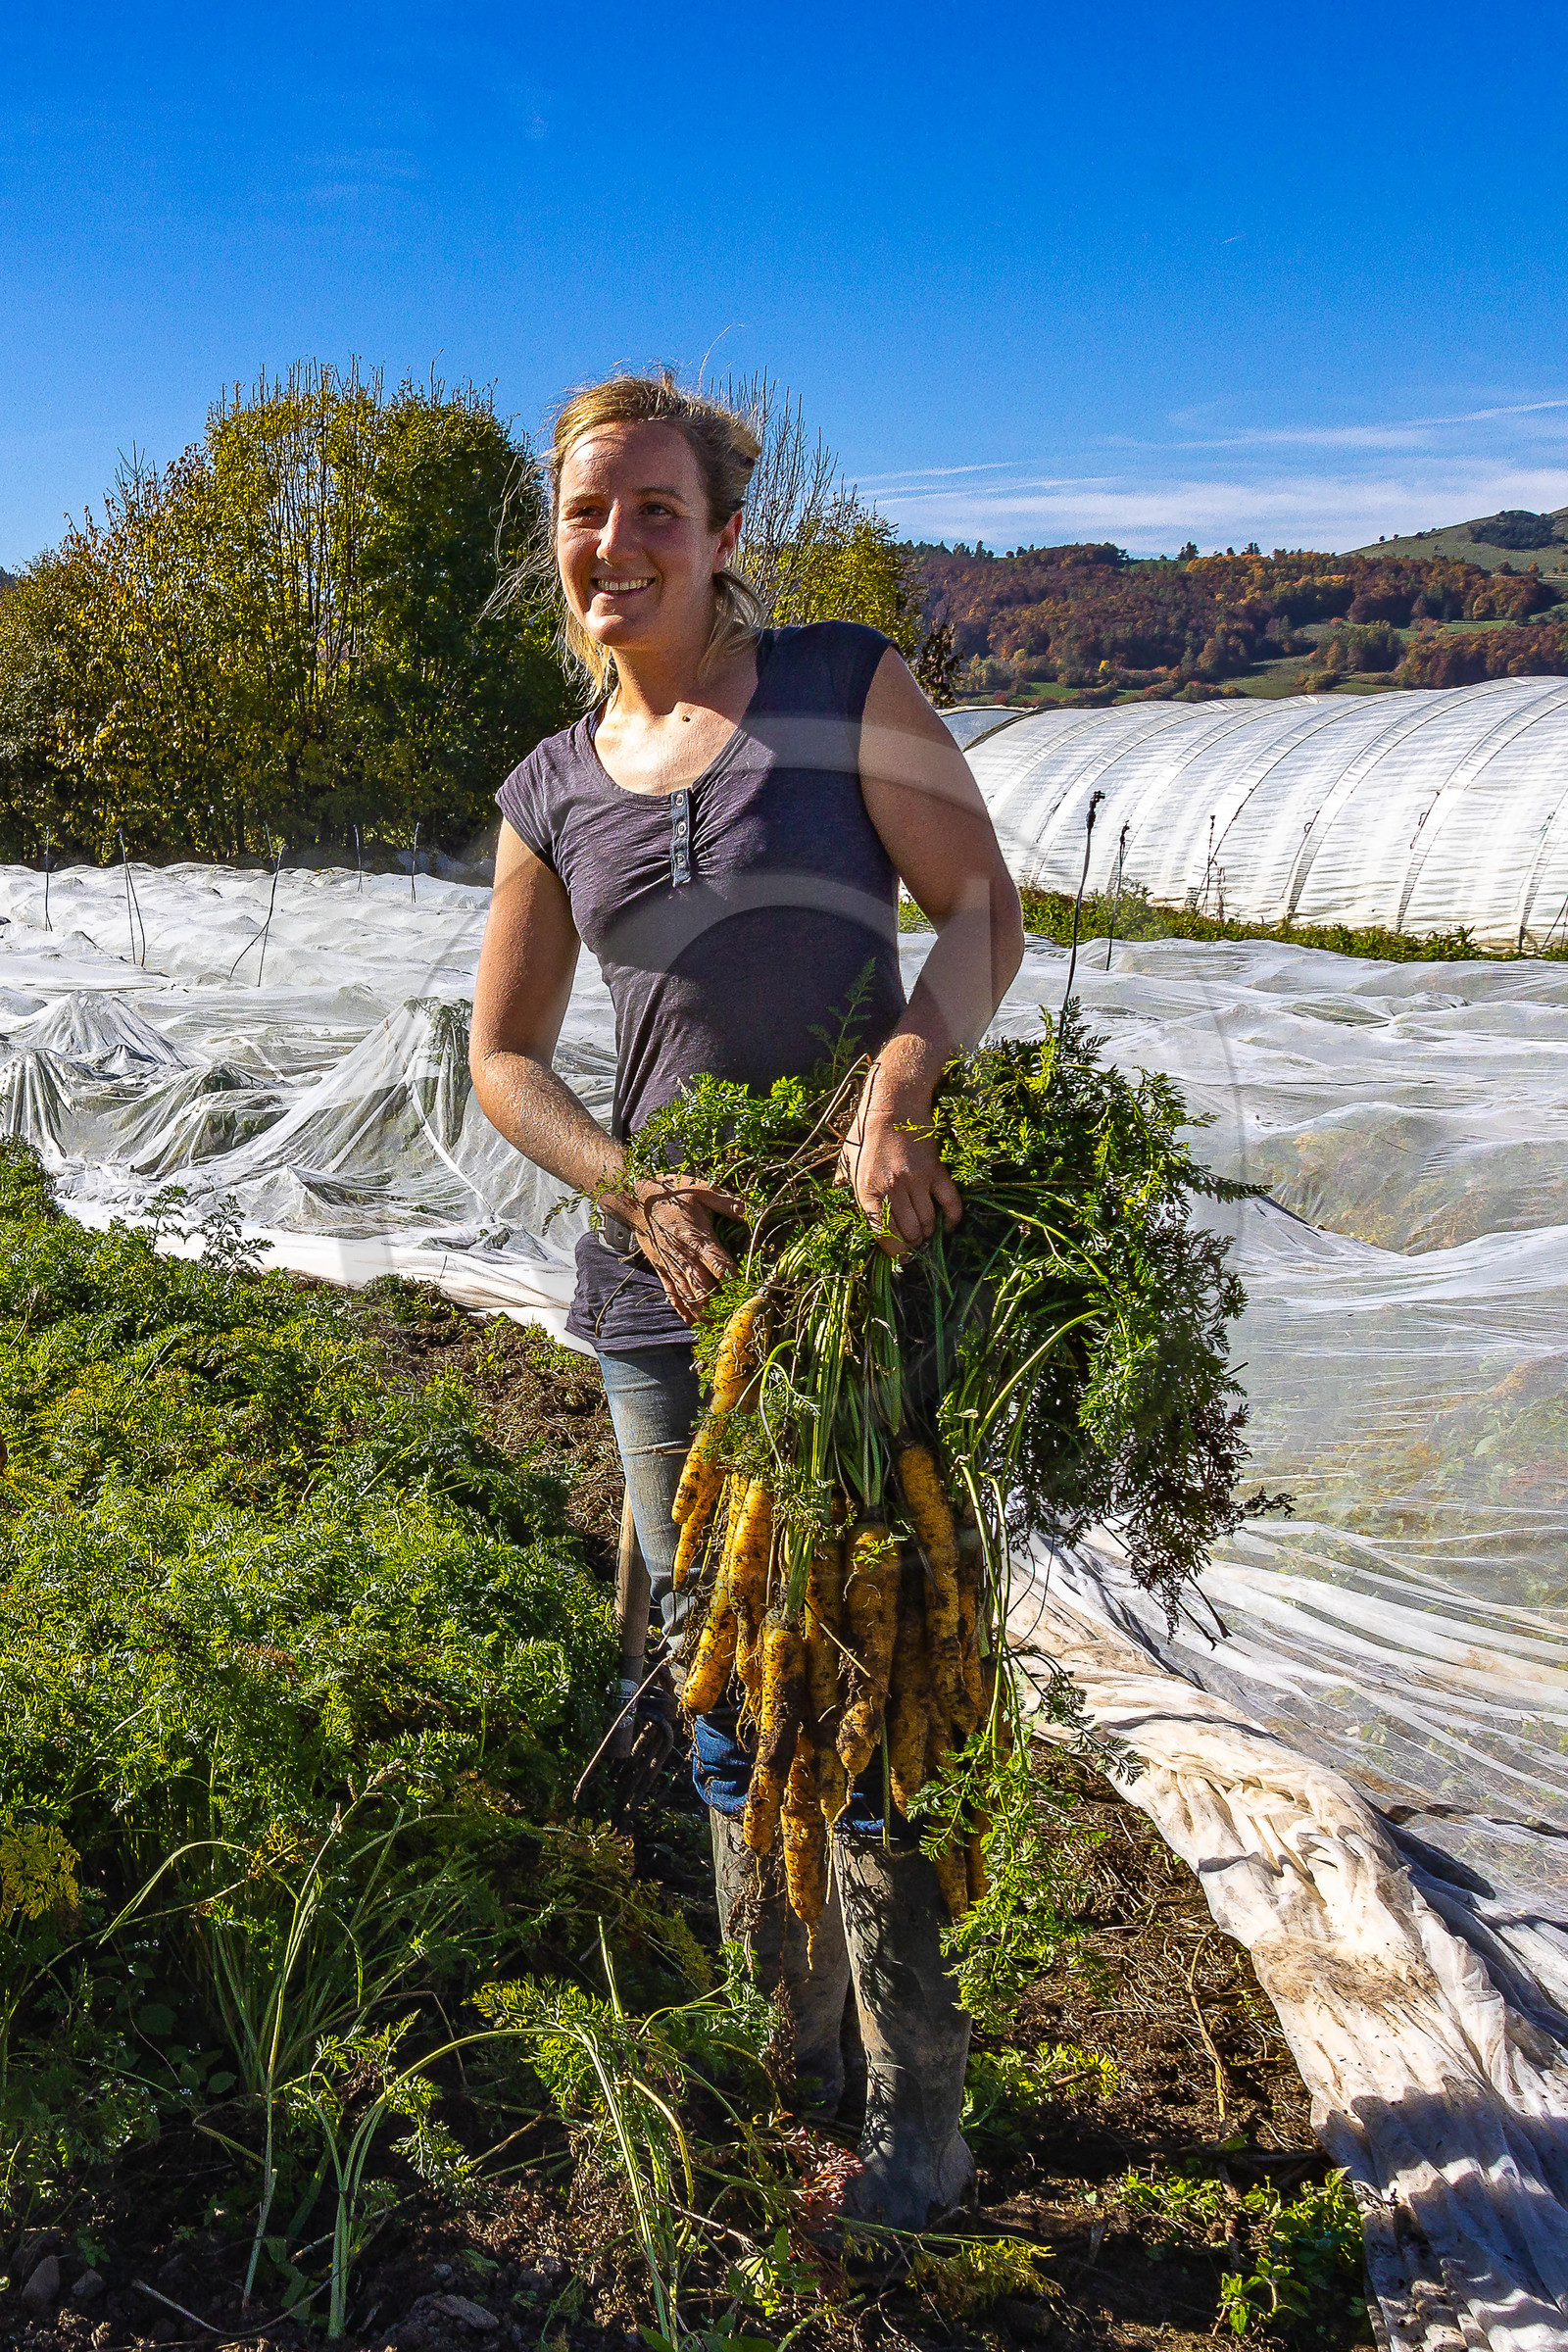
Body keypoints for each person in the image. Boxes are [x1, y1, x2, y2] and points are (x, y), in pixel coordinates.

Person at [470, 372, 1024, 2230]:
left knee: (865, 1686)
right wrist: (627, 1183)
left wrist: (903, 1080)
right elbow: (503, 1059)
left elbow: (982, 912)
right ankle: (775, 2071)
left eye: (653, 511)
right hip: (659, 1303)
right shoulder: (551, 789)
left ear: (721, 535)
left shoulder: (839, 685)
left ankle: (922, 2127)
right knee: (720, 1682)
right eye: (585, 516)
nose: (613, 546)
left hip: (852, 1285)